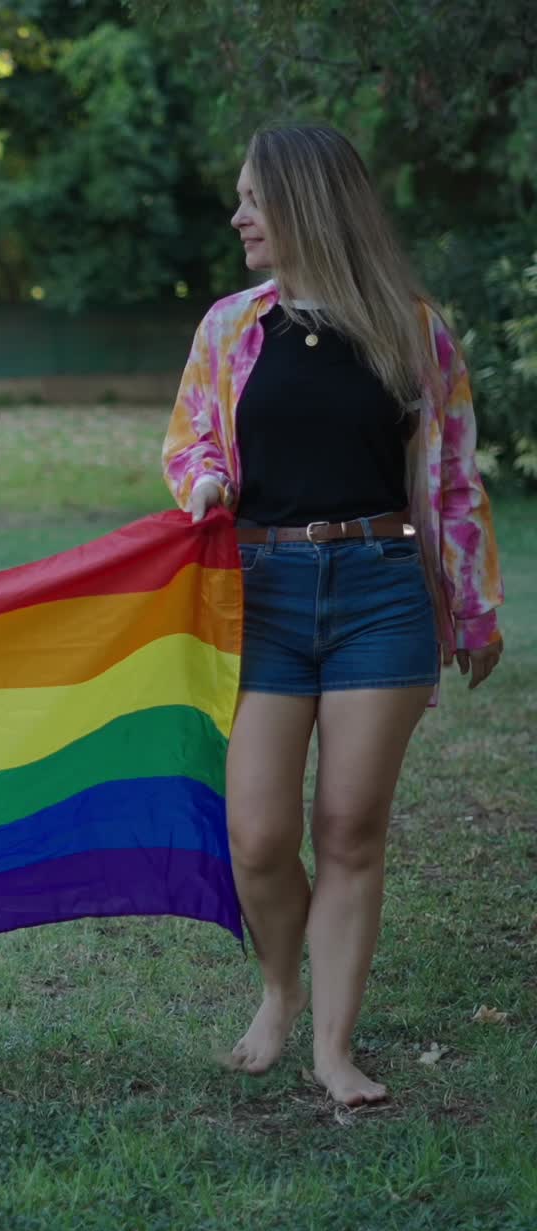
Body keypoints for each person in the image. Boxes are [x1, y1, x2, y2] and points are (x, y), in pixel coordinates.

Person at [161, 123, 504, 1107]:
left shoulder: (410, 325)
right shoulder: (232, 327)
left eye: (253, 200)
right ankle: (277, 989)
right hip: (261, 592)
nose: (238, 218)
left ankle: (332, 1045)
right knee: (259, 833)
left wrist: (474, 612)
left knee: (352, 825)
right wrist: (207, 476)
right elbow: (189, 437)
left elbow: (448, 477)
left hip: (380, 591)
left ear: (308, 205)